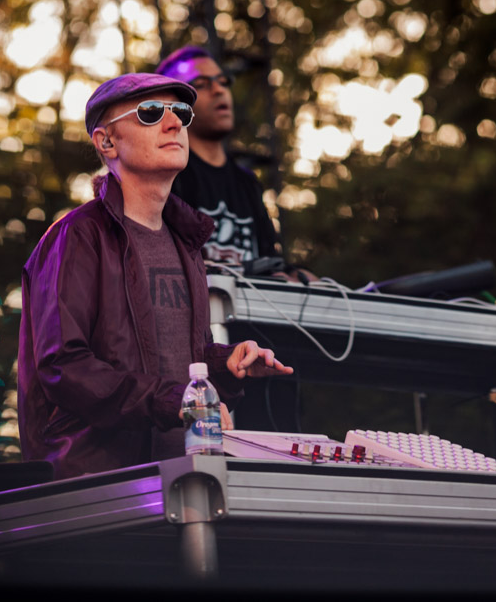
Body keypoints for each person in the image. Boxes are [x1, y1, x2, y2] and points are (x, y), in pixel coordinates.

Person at [17, 72, 293, 480]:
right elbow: (64, 367)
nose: (174, 123)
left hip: (184, 475)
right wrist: (174, 401)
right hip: (99, 484)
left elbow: (183, 365)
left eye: (181, 112)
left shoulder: (187, 241)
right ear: (107, 142)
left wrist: (225, 362)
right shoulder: (76, 236)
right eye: (150, 113)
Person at [155, 46, 282, 267]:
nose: (218, 90)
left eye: (223, 81)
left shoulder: (248, 184)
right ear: (173, 106)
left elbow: (271, 262)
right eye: (201, 84)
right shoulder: (165, 177)